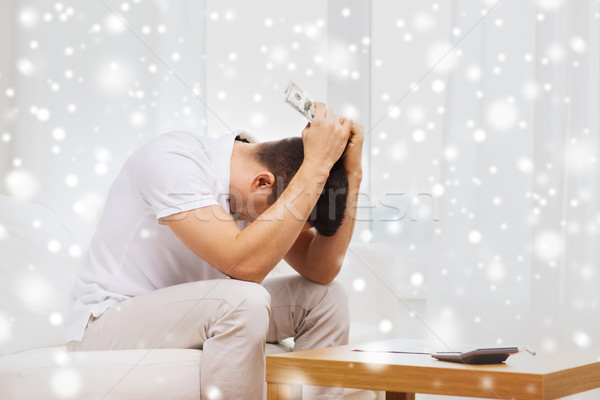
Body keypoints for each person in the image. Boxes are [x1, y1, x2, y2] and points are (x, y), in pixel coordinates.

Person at [64, 102, 364, 399]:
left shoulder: (255, 179)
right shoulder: (173, 160)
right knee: (243, 299)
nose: (291, 233)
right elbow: (243, 265)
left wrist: (353, 173)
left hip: (193, 317)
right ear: (262, 183)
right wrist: (316, 165)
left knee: (327, 298)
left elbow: (321, 269)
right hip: (107, 324)